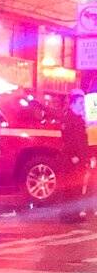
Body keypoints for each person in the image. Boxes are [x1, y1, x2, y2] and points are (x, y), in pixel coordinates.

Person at [61, 92, 92, 222]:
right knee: (72, 189)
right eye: (80, 103)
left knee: (78, 188)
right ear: (73, 104)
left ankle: (74, 213)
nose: (82, 106)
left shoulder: (79, 119)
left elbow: (83, 140)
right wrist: (73, 155)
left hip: (80, 158)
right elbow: (68, 140)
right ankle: (69, 215)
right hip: (72, 159)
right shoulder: (69, 118)